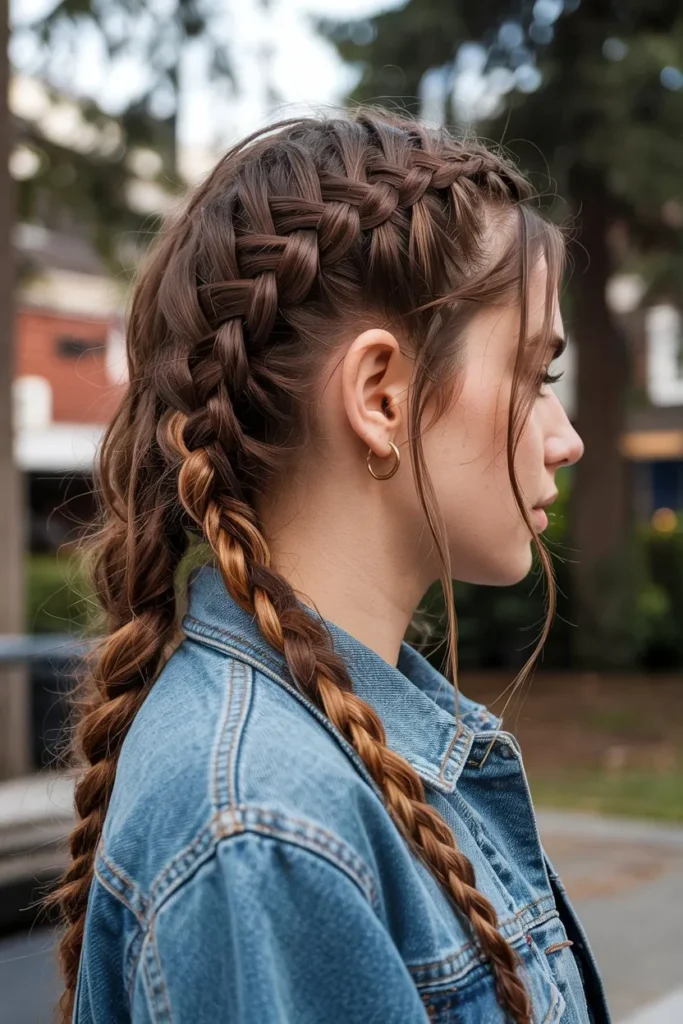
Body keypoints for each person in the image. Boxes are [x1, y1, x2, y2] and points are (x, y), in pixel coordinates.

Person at [51, 110, 610, 1023]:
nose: (566, 438)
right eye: (534, 375)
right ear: (380, 396)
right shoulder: (267, 827)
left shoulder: (318, 762)